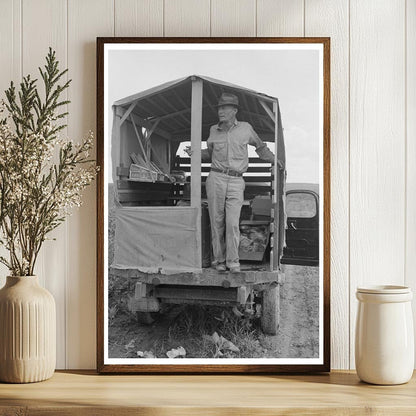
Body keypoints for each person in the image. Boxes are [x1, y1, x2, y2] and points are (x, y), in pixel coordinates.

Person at [185, 92, 275, 273]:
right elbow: (209, 155)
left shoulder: (245, 128)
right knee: (216, 221)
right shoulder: (213, 130)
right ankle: (218, 261)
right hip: (215, 178)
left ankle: (233, 261)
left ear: (234, 110)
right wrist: (194, 153)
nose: (220, 111)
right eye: (219, 108)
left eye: (225, 108)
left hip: (236, 180)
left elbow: (261, 147)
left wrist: (276, 161)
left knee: (232, 222)